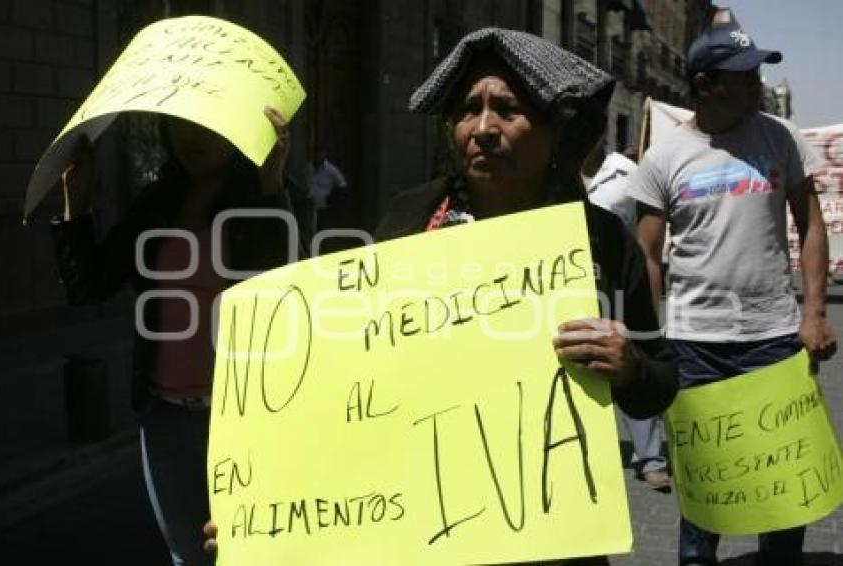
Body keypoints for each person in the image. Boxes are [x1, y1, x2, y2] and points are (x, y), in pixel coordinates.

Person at [204, 27, 677, 565]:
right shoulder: (408, 220)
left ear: (555, 132)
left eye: (508, 109)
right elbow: (335, 373)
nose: (484, 129)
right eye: (468, 110)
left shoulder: (599, 242)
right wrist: (263, 509)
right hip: (425, 523)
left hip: (551, 529)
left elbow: (659, 385)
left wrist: (631, 365)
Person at [630, 9, 837, 566]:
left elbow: (811, 223)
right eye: (744, 76)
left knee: (785, 482)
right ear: (706, 85)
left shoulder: (781, 138)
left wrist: (813, 312)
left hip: (774, 338)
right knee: (706, 486)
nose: (756, 85)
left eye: (757, 74)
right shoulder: (664, 157)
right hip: (697, 345)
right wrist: (652, 340)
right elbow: (646, 255)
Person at [51, 107, 296, 566]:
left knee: (254, 552)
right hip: (166, 418)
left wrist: (271, 188)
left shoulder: (261, 194)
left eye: (206, 122)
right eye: (180, 124)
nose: (192, 136)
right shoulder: (156, 202)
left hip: (244, 417)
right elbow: (90, 287)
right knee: (187, 553)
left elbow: (286, 287)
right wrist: (76, 207)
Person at [581, 140, 671, 492]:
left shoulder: (627, 173)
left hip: (617, 283)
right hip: (569, 285)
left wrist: (649, 294)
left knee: (632, 361)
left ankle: (651, 459)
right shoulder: (552, 176)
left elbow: (648, 237)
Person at [305, 145, 347, 234]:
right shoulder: (308, 167)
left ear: (324, 154)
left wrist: (332, 198)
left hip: (323, 206)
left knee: (322, 231)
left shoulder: (331, 170)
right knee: (310, 231)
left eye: (321, 153)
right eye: (316, 153)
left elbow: (342, 184)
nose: (318, 155)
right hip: (310, 205)